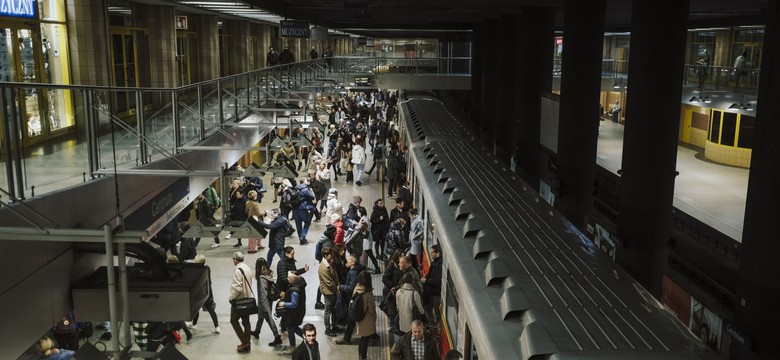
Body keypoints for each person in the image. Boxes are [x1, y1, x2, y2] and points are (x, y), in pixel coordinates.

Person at [252, 258, 283, 347]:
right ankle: (257, 331)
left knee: (269, 319)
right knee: (260, 316)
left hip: (264, 302)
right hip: (269, 300)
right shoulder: (268, 274)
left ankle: (277, 337)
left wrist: (263, 306)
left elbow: (262, 294)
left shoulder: (261, 278)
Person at [335, 256, 366, 345]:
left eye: (348, 261)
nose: (346, 262)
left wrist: (340, 287)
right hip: (355, 299)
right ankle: (346, 338)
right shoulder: (356, 270)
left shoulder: (353, 273)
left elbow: (351, 288)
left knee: (353, 319)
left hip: (353, 299)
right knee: (352, 319)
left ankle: (373, 336)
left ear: (353, 262)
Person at [229, 251, 254, 353]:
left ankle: (245, 342)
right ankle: (247, 343)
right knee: (246, 322)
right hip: (248, 299)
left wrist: (231, 297)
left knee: (234, 320)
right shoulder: (247, 268)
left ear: (235, 260)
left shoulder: (237, 270)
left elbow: (237, 287)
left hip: (239, 300)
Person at [278, 273, 307, 355]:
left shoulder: (294, 291)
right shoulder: (300, 283)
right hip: (298, 312)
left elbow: (294, 304)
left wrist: (284, 304)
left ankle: (292, 346)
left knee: (290, 327)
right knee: (293, 327)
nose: (287, 279)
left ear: (293, 280)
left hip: (294, 314)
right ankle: (306, 338)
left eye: (289, 278)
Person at [190, 255, 220, 334]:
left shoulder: (195, 271)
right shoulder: (207, 268)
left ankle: (194, 324)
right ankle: (217, 327)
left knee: (196, 308)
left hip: (199, 293)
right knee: (211, 309)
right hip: (208, 292)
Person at [355, 271, 379, 360]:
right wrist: (374, 317)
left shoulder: (357, 288)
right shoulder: (368, 293)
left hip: (359, 317)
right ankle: (363, 357)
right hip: (367, 319)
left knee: (362, 338)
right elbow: (372, 309)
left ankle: (360, 355)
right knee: (365, 339)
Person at [318, 247, 341, 336]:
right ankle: (328, 329)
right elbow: (328, 282)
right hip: (328, 292)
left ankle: (334, 326)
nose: (332, 256)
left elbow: (334, 275)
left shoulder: (329, 263)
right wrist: (337, 288)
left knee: (334, 310)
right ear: (325, 256)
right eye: (330, 255)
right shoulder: (323, 268)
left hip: (333, 291)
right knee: (328, 311)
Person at [421, 244, 442, 329]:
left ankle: (435, 325)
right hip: (432, 291)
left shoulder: (439, 266)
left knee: (435, 310)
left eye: (432, 252)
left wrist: (426, 281)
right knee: (427, 306)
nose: (431, 254)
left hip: (435, 293)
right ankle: (432, 323)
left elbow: (437, 281)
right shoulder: (435, 262)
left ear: (438, 253)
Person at [292, 177, 317, 245]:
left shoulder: (295, 188)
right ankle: (303, 236)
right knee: (307, 222)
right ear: (304, 182)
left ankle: (301, 238)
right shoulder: (305, 189)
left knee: (298, 224)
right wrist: (311, 191)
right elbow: (312, 197)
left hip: (294, 208)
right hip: (302, 208)